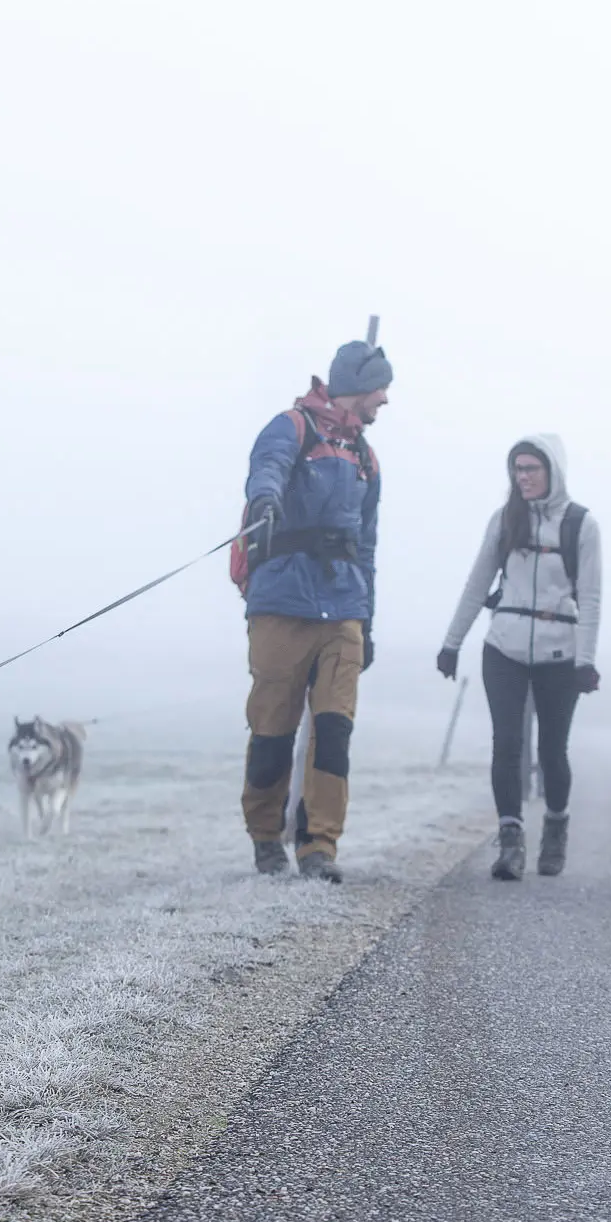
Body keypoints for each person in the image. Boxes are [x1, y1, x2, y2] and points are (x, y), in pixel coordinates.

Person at [235, 339, 389, 884]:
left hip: (343, 606)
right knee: (273, 727)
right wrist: (265, 501)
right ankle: (264, 837)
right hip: (282, 600)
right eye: (379, 390)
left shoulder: (367, 460)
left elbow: (367, 544)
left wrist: (366, 622)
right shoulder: (290, 426)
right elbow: (267, 467)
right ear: (355, 388)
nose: (385, 402)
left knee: (334, 729)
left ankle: (319, 846)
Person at [438, 435, 602, 880]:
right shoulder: (504, 520)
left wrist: (585, 660)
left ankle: (555, 824)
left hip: (560, 651)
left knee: (552, 749)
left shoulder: (580, 525)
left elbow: (590, 597)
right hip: (504, 646)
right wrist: (452, 643)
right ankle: (510, 841)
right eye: (518, 469)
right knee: (507, 744)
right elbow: (477, 584)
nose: (523, 476)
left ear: (553, 471)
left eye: (532, 468)